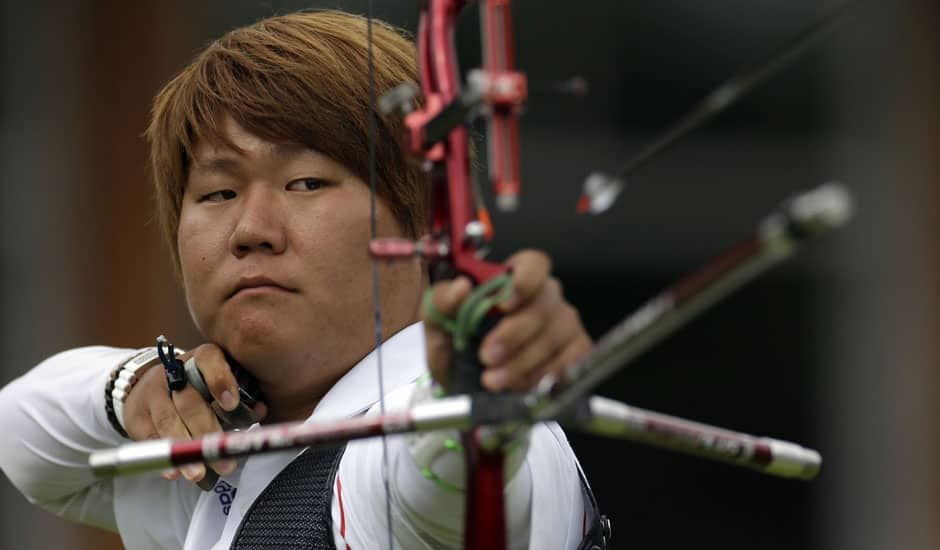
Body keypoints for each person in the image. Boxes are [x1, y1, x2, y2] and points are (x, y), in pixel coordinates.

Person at [0, 10, 600, 549]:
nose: (251, 229)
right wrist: (139, 387)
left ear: (427, 223)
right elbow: (20, 436)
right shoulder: (210, 468)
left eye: (307, 183)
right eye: (218, 192)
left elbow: (442, 491)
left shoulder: (426, 452)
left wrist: (476, 392)